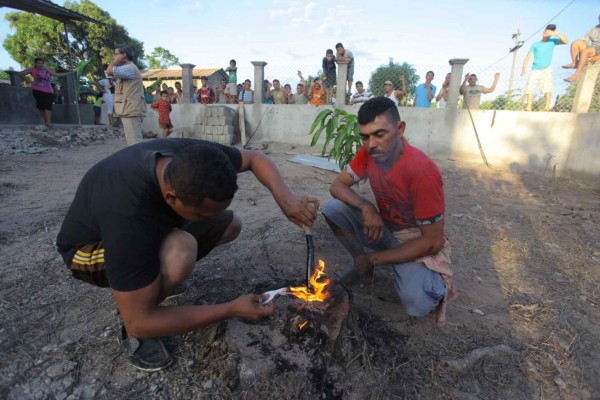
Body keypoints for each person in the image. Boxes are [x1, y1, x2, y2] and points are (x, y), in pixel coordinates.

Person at [56, 138, 319, 371]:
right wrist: (229, 309)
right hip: (88, 251)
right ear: (172, 198)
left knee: (230, 224)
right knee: (180, 252)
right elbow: (140, 322)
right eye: (203, 214)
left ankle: (152, 282)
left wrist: (285, 198)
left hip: (145, 227)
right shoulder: (129, 215)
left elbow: (254, 157)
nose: (208, 220)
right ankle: (138, 309)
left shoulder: (191, 158)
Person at [321, 97, 456, 326]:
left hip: (416, 240)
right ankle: (364, 269)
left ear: (400, 129)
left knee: (418, 304)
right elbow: (337, 186)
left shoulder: (422, 172)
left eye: (380, 134)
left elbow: (432, 242)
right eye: (365, 137)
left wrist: (374, 258)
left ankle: (436, 283)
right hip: (386, 229)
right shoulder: (369, 154)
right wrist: (366, 206)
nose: (371, 144)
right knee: (334, 210)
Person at [520, 24, 568, 111]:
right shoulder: (535, 44)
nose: (549, 31)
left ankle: (547, 106)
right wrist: (523, 69)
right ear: (544, 31)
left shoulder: (553, 41)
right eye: (548, 30)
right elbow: (528, 57)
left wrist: (555, 33)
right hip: (535, 69)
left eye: (551, 30)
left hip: (547, 68)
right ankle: (529, 107)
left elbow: (566, 41)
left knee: (547, 86)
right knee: (530, 87)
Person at [106, 45, 147, 144]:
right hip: (128, 109)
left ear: (124, 55)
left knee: (134, 142)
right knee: (132, 141)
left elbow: (109, 71)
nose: (114, 57)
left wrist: (115, 61)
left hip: (130, 109)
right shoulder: (126, 68)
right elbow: (108, 74)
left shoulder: (129, 68)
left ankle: (139, 159)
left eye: (116, 55)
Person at [18, 57, 72, 128]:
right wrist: (30, 81)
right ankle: (45, 122)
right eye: (38, 63)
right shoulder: (32, 69)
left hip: (49, 91)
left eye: (41, 63)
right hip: (38, 90)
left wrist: (69, 73)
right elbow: (21, 73)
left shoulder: (47, 71)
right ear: (35, 63)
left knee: (48, 107)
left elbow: (58, 75)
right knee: (41, 107)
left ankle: (48, 123)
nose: (40, 64)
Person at [563, 15, 600, 82]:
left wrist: (599, 56)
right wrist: (582, 50)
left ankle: (575, 76)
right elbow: (585, 41)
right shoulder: (594, 29)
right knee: (576, 42)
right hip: (593, 49)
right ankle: (574, 63)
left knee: (585, 52)